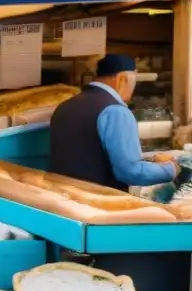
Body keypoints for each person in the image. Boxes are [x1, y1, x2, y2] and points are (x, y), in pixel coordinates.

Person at [50, 54, 178, 190]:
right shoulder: (116, 111)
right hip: (96, 202)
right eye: (134, 80)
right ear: (122, 79)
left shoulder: (64, 106)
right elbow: (130, 172)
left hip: (60, 198)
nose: (133, 88)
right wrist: (171, 169)